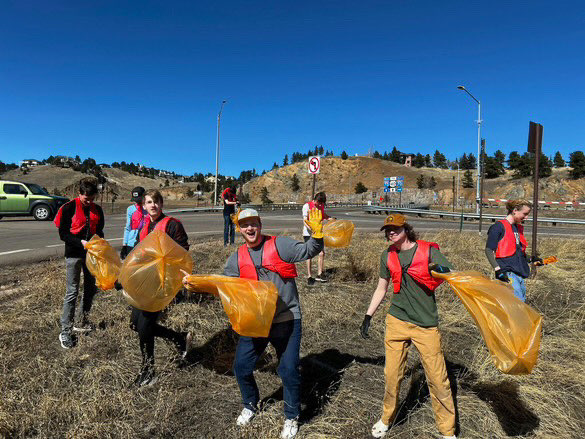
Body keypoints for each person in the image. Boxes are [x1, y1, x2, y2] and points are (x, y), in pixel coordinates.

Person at [222, 207, 324, 439]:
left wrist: (316, 235)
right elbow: (225, 284)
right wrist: (196, 284)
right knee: (241, 367)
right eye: (245, 224)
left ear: (260, 224)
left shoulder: (280, 245)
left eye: (253, 223)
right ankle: (250, 404)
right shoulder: (236, 257)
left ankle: (291, 416)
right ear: (239, 228)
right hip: (256, 323)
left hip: (286, 318)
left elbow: (310, 250)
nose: (250, 228)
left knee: (288, 369)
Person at [360, 214, 457, 439]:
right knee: (392, 375)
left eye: (395, 228)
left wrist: (442, 268)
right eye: (387, 229)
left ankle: (447, 431)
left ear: (406, 228)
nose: (391, 232)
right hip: (396, 320)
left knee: (437, 378)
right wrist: (368, 315)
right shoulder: (387, 255)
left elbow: (451, 273)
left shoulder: (427, 250)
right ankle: (386, 418)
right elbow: (381, 287)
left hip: (425, 324)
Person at [129, 189, 192, 387]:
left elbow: (183, 251)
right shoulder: (144, 225)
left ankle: (148, 371)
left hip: (163, 282)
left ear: (161, 204)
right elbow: (138, 252)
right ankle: (180, 338)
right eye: (149, 202)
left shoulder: (172, 225)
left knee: (146, 325)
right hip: (145, 280)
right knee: (135, 324)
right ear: (144, 205)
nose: (153, 205)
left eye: (156, 201)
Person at [54, 179, 105, 349]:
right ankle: (66, 330)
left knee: (90, 288)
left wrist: (99, 244)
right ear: (79, 194)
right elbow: (63, 234)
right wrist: (80, 242)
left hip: (91, 255)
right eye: (86, 199)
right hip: (74, 255)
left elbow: (100, 230)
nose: (89, 202)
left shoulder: (97, 210)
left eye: (92, 199)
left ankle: (82, 320)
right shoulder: (68, 208)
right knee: (72, 291)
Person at [485, 199, 541, 302]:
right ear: (515, 210)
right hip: (508, 274)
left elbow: (515, 252)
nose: (527, 217)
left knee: (520, 303)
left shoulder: (516, 228)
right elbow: (489, 250)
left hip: (519, 274)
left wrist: (532, 259)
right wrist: (498, 270)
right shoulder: (498, 227)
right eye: (525, 214)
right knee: (517, 305)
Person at [302, 192, 330, 285]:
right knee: (309, 254)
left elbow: (323, 214)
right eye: (319, 203)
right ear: (316, 200)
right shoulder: (307, 206)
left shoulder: (321, 206)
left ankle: (319, 274)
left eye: (322, 204)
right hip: (309, 234)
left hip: (319, 233)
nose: (320, 205)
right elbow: (305, 220)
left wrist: (329, 218)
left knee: (321, 253)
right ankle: (309, 276)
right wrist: (311, 228)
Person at [120, 186, 147, 260]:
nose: (137, 202)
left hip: (145, 243)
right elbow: (128, 228)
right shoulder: (130, 209)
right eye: (135, 200)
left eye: (139, 200)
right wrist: (124, 244)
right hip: (131, 243)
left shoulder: (148, 208)